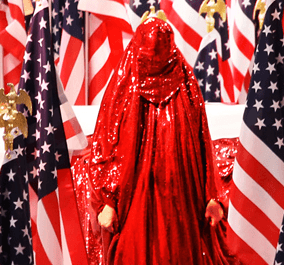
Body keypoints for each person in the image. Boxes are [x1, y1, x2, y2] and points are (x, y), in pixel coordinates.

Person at [86, 11, 233, 265]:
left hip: (182, 203)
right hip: (134, 198)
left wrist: (213, 196)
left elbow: (202, 143)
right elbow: (106, 142)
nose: (154, 61)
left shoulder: (186, 83)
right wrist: (106, 202)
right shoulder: (125, 84)